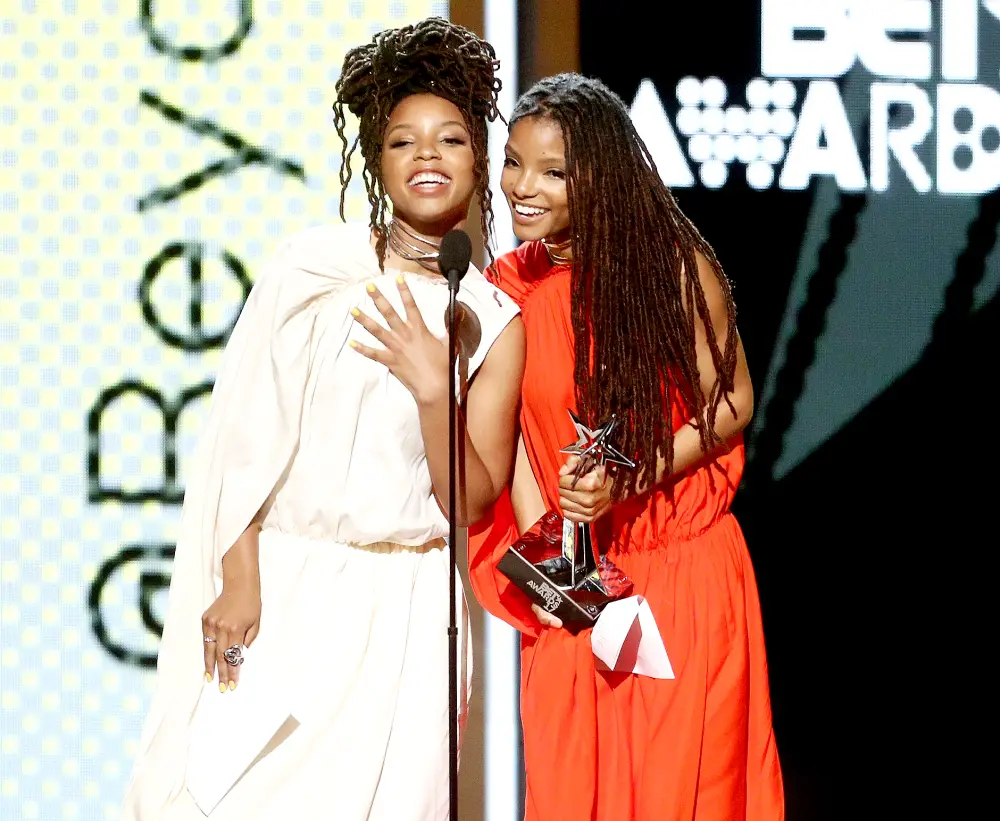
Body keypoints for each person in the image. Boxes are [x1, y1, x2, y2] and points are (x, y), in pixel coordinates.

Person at [121, 18, 524, 821]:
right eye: (405, 142)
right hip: (290, 586)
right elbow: (243, 435)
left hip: (410, 609)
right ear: (378, 161)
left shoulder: (493, 315)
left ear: (477, 160)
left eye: (449, 139)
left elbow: (474, 500)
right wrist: (239, 574)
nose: (428, 157)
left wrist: (429, 388)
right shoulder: (312, 269)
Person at [469, 73, 785, 821]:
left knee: (685, 794)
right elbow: (514, 441)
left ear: (602, 175)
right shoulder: (504, 286)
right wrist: (560, 575)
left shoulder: (670, 268)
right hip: (578, 583)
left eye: (552, 170)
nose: (522, 186)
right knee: (572, 791)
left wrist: (631, 475)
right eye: (513, 162)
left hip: (679, 578)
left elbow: (734, 399)